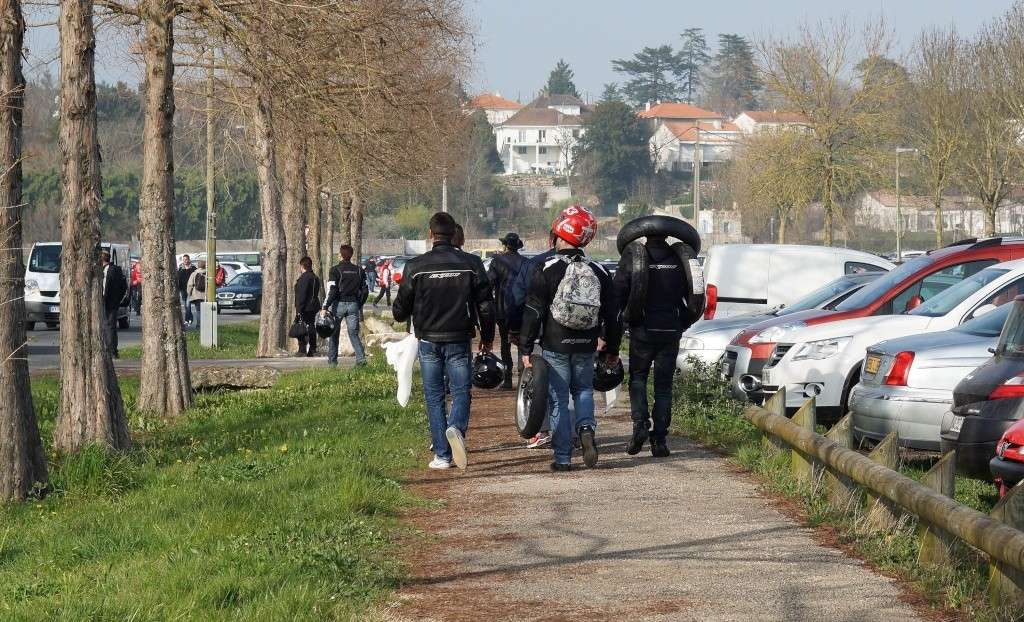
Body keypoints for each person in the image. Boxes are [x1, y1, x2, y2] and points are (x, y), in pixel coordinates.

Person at [520, 206, 621, 472]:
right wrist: (611, 347)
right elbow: (613, 315)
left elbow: (533, 311)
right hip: (586, 344)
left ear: (559, 234)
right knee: (584, 390)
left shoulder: (546, 267)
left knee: (559, 400)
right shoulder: (599, 270)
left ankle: (563, 458)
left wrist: (526, 346)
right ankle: (586, 428)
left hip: (555, 344)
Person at [392, 212, 495, 471]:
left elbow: (400, 310)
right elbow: (485, 305)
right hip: (460, 338)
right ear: (454, 234)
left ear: (430, 234)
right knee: (461, 392)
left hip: (428, 340)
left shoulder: (415, 266)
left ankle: (441, 455)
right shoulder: (471, 264)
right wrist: (488, 336)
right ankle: (456, 427)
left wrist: (407, 309)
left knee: (434, 396)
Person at [614, 233, 700, 458]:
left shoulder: (633, 257)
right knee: (664, 387)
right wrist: (682, 322)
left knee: (638, 378)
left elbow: (619, 293)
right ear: (667, 235)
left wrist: (620, 323)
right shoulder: (681, 260)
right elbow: (693, 296)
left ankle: (640, 424)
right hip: (671, 330)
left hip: (643, 331)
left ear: (644, 235)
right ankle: (660, 440)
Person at [506, 231, 559, 448]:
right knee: (572, 385)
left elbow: (517, 298)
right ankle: (573, 431)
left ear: (550, 240)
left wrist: (516, 329)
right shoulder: (588, 264)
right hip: (577, 336)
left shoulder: (535, 264)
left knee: (536, 383)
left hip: (538, 333)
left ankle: (542, 430)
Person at [486, 232, 526, 389]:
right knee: (523, 344)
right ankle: (524, 378)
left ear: (505, 245)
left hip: (503, 309)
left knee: (505, 344)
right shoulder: (526, 262)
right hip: (523, 310)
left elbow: (489, 282)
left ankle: (508, 380)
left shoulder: (497, 261)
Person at [322, 244, 368, 366]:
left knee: (334, 334)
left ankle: (332, 362)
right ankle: (361, 360)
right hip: (354, 304)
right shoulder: (359, 270)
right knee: (353, 334)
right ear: (351, 255)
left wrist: (325, 307)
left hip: (338, 305)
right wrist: (359, 304)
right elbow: (365, 291)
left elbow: (332, 289)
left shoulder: (335, 270)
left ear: (341, 255)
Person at [100, 250, 128, 358]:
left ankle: (111, 350)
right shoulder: (100, 270)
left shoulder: (114, 270)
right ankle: (110, 349)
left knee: (110, 326)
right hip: (102, 302)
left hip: (111, 303)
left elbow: (123, 287)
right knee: (107, 326)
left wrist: (117, 300)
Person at [294, 256, 321, 357]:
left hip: (305, 306)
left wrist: (299, 309)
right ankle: (313, 348)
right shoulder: (315, 277)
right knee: (311, 326)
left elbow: (302, 294)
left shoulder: (304, 278)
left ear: (302, 266)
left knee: (301, 326)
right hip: (314, 306)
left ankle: (302, 349)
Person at [186, 259, 208, 332]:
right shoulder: (208, 274)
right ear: (205, 265)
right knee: (205, 312)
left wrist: (189, 293)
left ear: (198, 266)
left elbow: (190, 285)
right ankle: (206, 326)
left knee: (198, 311)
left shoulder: (194, 274)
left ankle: (199, 326)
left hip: (197, 296)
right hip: (206, 296)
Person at [177, 255, 196, 327]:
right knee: (185, 306)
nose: (185, 261)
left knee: (188, 305)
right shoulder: (180, 269)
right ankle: (190, 318)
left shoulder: (193, 268)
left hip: (191, 289)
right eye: (184, 259)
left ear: (189, 260)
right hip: (183, 289)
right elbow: (178, 278)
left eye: (187, 259)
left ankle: (187, 320)